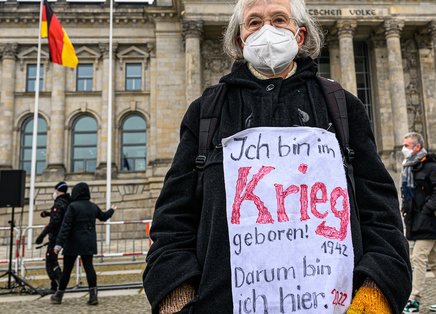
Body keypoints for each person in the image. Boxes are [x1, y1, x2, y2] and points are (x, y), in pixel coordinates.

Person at [143, 1, 412, 313]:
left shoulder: (343, 108)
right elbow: (172, 224)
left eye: (279, 19)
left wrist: (377, 291)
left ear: (299, 35)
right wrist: (177, 300)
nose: (266, 29)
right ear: (240, 39)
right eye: (254, 22)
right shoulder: (206, 113)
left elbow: (382, 218)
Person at [401, 132, 436, 313]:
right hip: (416, 220)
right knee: (435, 261)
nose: (404, 149)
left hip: (429, 221)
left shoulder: (432, 167)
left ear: (417, 147)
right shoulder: (409, 167)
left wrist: (425, 210)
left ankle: (414, 299)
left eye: (407, 145)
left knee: (417, 258)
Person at [51, 182, 116, 305]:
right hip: (88, 242)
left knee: (67, 271)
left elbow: (65, 226)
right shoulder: (92, 206)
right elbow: (103, 217)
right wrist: (112, 210)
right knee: (89, 268)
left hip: (73, 243)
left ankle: (59, 295)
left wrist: (58, 244)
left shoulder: (72, 206)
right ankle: (93, 296)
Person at [35, 181, 71, 293]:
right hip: (63, 236)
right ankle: (55, 286)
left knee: (50, 261)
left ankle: (60, 284)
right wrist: (49, 213)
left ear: (58, 191)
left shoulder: (58, 203)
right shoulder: (67, 202)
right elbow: (60, 216)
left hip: (55, 237)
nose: (53, 193)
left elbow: (55, 222)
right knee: (53, 260)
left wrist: (42, 235)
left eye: (54, 190)